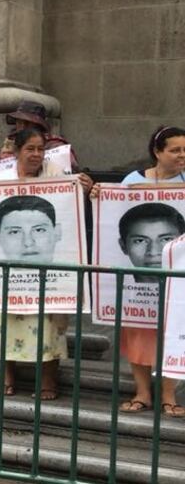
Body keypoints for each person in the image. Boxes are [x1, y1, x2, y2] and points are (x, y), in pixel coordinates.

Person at [0, 128, 93, 399]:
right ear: (16, 151)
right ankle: (8, 376)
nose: (36, 154)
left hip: (47, 271)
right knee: (6, 321)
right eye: (30, 149)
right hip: (11, 272)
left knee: (48, 323)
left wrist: (86, 189)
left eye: (40, 149)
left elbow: (69, 210)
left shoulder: (56, 174)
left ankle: (48, 382)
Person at [97, 125, 185, 417]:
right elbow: (112, 211)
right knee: (137, 333)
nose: (182, 156)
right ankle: (143, 392)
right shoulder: (132, 181)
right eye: (175, 150)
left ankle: (169, 396)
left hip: (175, 280)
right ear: (157, 152)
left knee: (172, 331)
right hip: (137, 290)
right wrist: (98, 194)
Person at [0, 100, 79, 171]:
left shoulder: (55, 144)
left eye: (26, 123)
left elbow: (71, 170)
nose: (22, 127)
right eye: (19, 122)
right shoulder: (11, 143)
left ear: (38, 125)